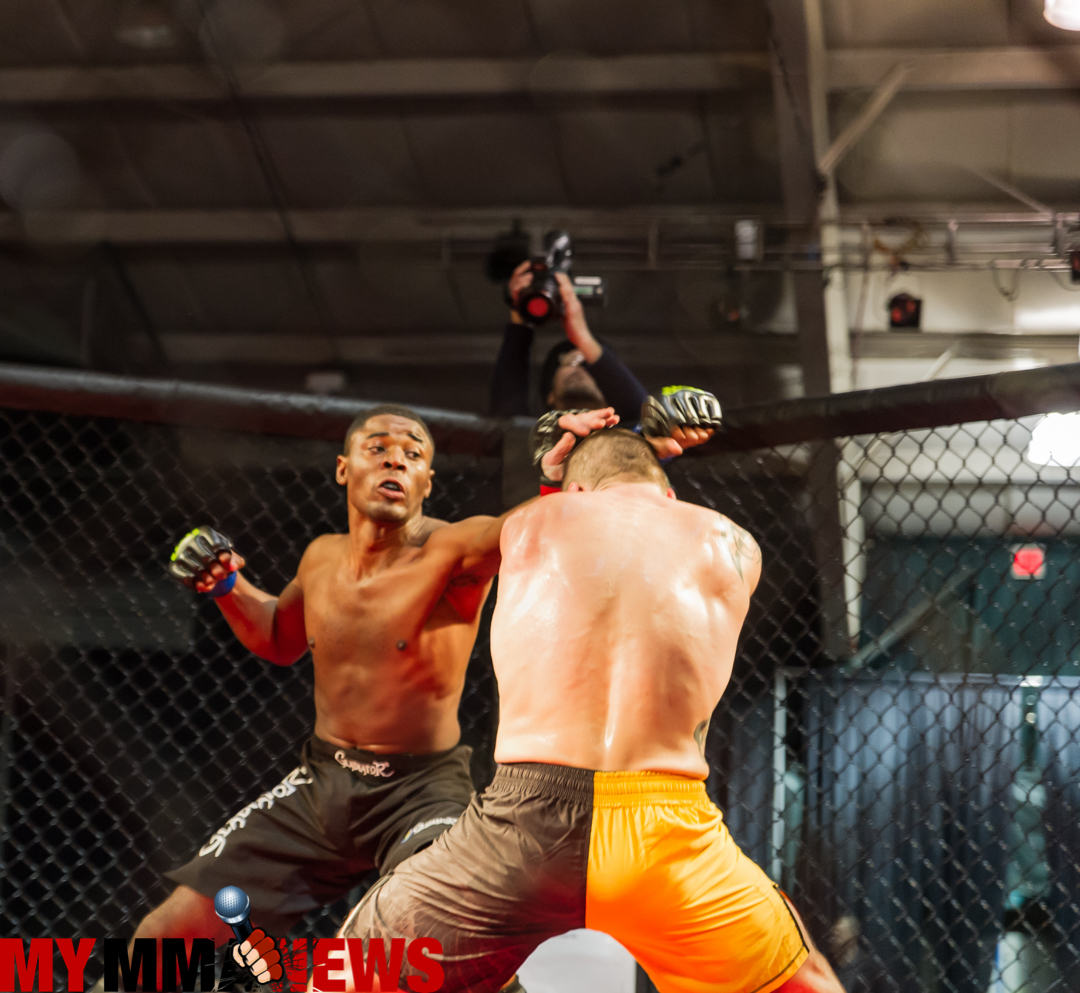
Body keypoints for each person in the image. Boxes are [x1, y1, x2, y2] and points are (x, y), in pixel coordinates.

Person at [241, 415, 843, 993]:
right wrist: (642, 444)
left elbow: (566, 519)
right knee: (802, 978)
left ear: (573, 490)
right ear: (669, 491)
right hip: (669, 836)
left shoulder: (535, 522)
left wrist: (556, 470)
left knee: (353, 973)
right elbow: (640, 538)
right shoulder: (733, 543)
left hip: (521, 827)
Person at [129, 402, 616, 966]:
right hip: (322, 784)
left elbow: (523, 530)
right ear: (344, 468)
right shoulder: (320, 557)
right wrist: (226, 587)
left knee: (438, 928)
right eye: (378, 448)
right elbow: (279, 638)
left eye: (413, 454)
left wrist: (554, 477)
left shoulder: (451, 550)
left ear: (427, 481)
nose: (395, 461)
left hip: (421, 791)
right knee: (171, 929)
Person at [490, 261, 648, 421]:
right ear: (550, 395)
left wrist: (583, 337)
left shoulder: (629, 433)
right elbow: (507, 417)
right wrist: (521, 312)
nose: (579, 368)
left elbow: (639, 411)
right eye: (570, 361)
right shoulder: (532, 436)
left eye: (586, 363)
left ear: (612, 391)